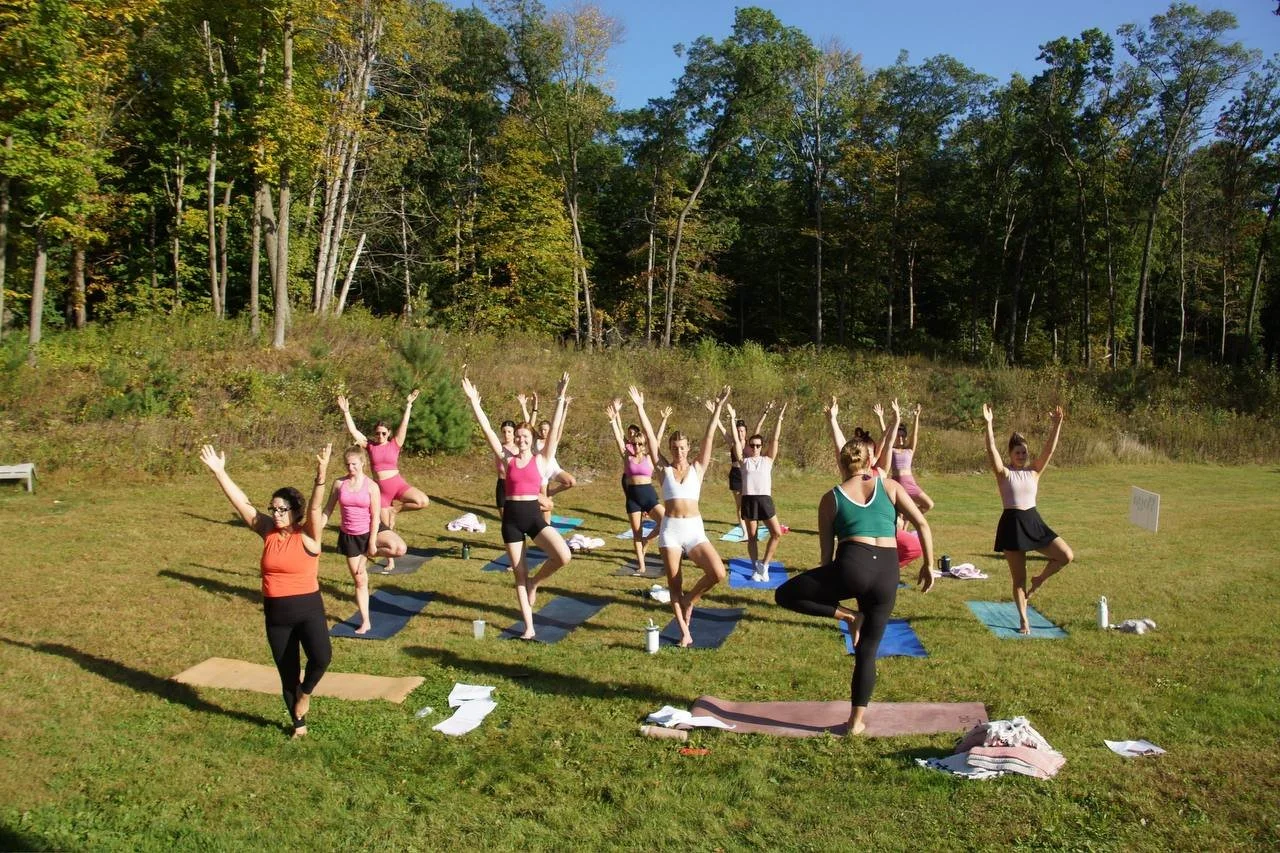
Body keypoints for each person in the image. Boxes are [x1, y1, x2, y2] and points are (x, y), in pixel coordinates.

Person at [774, 430, 935, 736]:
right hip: (888, 573)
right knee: (868, 650)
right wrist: (928, 565)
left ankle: (849, 616)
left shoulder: (830, 498)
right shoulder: (890, 486)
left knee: (785, 594)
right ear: (872, 460)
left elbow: (825, 557)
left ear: (841, 463)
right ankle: (855, 722)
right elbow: (922, 523)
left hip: (852, 565)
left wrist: (834, 592)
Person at [198, 443, 333, 738]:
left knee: (322, 658)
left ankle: (306, 692)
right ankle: (299, 726)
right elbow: (242, 504)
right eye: (273, 508)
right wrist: (221, 472)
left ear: (295, 511)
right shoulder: (268, 531)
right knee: (287, 672)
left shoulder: (309, 534)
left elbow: (314, 507)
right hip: (276, 613)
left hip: (308, 609)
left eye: (282, 509)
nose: (276, 513)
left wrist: (320, 476)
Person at [462, 373, 574, 639]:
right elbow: (488, 430)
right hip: (511, 519)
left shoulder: (541, 460)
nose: (521, 439)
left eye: (526, 436)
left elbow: (556, 430)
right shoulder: (507, 458)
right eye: (519, 436)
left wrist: (559, 397)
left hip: (534, 517)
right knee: (519, 573)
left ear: (532, 439)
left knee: (563, 556)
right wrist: (474, 402)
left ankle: (537, 582)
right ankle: (529, 626)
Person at [629, 384, 731, 648]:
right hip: (671, 530)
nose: (678, 452)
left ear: (688, 448)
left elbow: (709, 439)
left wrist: (718, 408)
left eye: (682, 447)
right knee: (675, 583)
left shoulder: (698, 467)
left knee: (717, 572)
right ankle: (685, 632)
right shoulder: (662, 468)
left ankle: (690, 600)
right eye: (674, 447)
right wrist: (641, 408)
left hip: (695, 530)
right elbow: (651, 441)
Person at [982, 403, 1074, 635]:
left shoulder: (1034, 471)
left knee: (1066, 555)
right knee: (1018, 579)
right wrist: (989, 424)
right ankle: (1024, 620)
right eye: (1017, 452)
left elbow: (1049, 451)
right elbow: (991, 450)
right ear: (1010, 455)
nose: (1022, 456)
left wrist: (1057, 424)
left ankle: (1040, 579)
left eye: (1024, 452)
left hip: (1033, 521)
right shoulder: (1004, 473)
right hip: (1012, 525)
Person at [337, 391, 430, 570]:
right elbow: (354, 432)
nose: (380, 436)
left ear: (389, 434)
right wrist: (346, 412)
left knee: (422, 501)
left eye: (383, 433)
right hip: (382, 492)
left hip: (398, 483)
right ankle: (389, 560)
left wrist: (409, 405)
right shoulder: (370, 446)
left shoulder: (395, 444)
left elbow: (404, 425)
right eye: (377, 433)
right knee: (386, 526)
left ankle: (396, 510)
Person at [321, 447, 408, 633]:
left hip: (371, 529)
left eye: (354, 464)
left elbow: (376, 515)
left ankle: (366, 556)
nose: (351, 467)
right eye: (348, 464)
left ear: (362, 463)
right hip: (350, 536)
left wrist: (371, 545)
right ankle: (365, 621)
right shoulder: (339, 484)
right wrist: (317, 526)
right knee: (360, 581)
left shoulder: (371, 486)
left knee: (399, 548)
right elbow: (328, 509)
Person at [726, 400, 787, 581]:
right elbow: (737, 441)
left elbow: (775, 439)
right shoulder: (744, 462)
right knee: (752, 537)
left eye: (758, 446)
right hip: (749, 501)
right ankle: (755, 568)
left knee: (776, 533)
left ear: (762, 447)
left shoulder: (767, 460)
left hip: (765, 500)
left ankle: (764, 565)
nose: (754, 448)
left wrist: (779, 419)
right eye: (752, 445)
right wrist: (732, 417)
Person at [606, 399, 668, 574]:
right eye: (634, 444)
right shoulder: (627, 456)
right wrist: (613, 420)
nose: (637, 446)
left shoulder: (650, 457)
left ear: (645, 444)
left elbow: (657, 438)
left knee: (666, 521)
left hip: (648, 494)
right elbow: (619, 437)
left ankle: (648, 541)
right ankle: (641, 565)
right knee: (636, 533)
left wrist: (663, 420)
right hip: (632, 496)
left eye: (640, 444)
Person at [718, 403, 773, 534]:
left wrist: (766, 411)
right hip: (736, 474)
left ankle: (754, 523)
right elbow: (721, 429)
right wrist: (716, 412)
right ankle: (744, 530)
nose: (740, 433)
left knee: (752, 500)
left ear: (746, 431)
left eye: (742, 430)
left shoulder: (751, 444)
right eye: (738, 431)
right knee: (739, 504)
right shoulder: (733, 442)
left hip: (749, 475)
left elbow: (759, 426)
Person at [890, 404, 934, 514]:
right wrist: (882, 418)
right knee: (897, 515)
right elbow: (885, 434)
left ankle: (909, 517)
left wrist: (916, 417)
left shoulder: (909, 449)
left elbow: (915, 435)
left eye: (903, 436)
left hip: (910, 484)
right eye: (898, 435)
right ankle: (902, 525)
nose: (900, 438)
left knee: (929, 504)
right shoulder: (891, 450)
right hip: (897, 484)